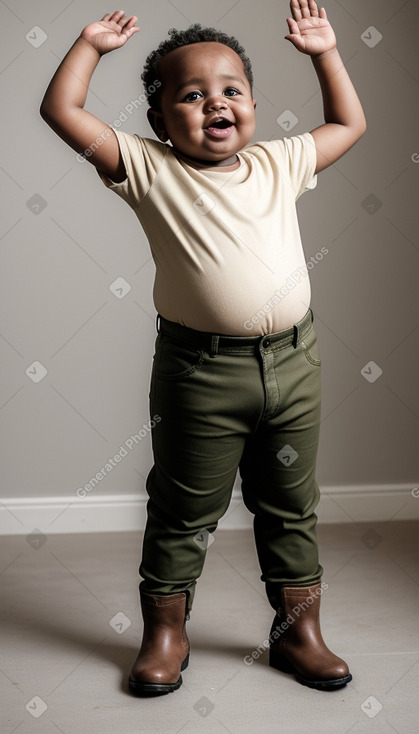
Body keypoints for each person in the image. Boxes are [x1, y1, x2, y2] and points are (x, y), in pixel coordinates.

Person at [40, 0, 366, 696]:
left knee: (289, 502)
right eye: (189, 96)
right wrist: (89, 47)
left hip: (293, 365)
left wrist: (323, 53)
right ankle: (166, 632)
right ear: (159, 121)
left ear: (251, 105)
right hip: (200, 372)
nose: (213, 103)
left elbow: (347, 124)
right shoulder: (150, 169)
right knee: (185, 509)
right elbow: (63, 112)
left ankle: (298, 632)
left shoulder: (279, 162)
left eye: (230, 90)